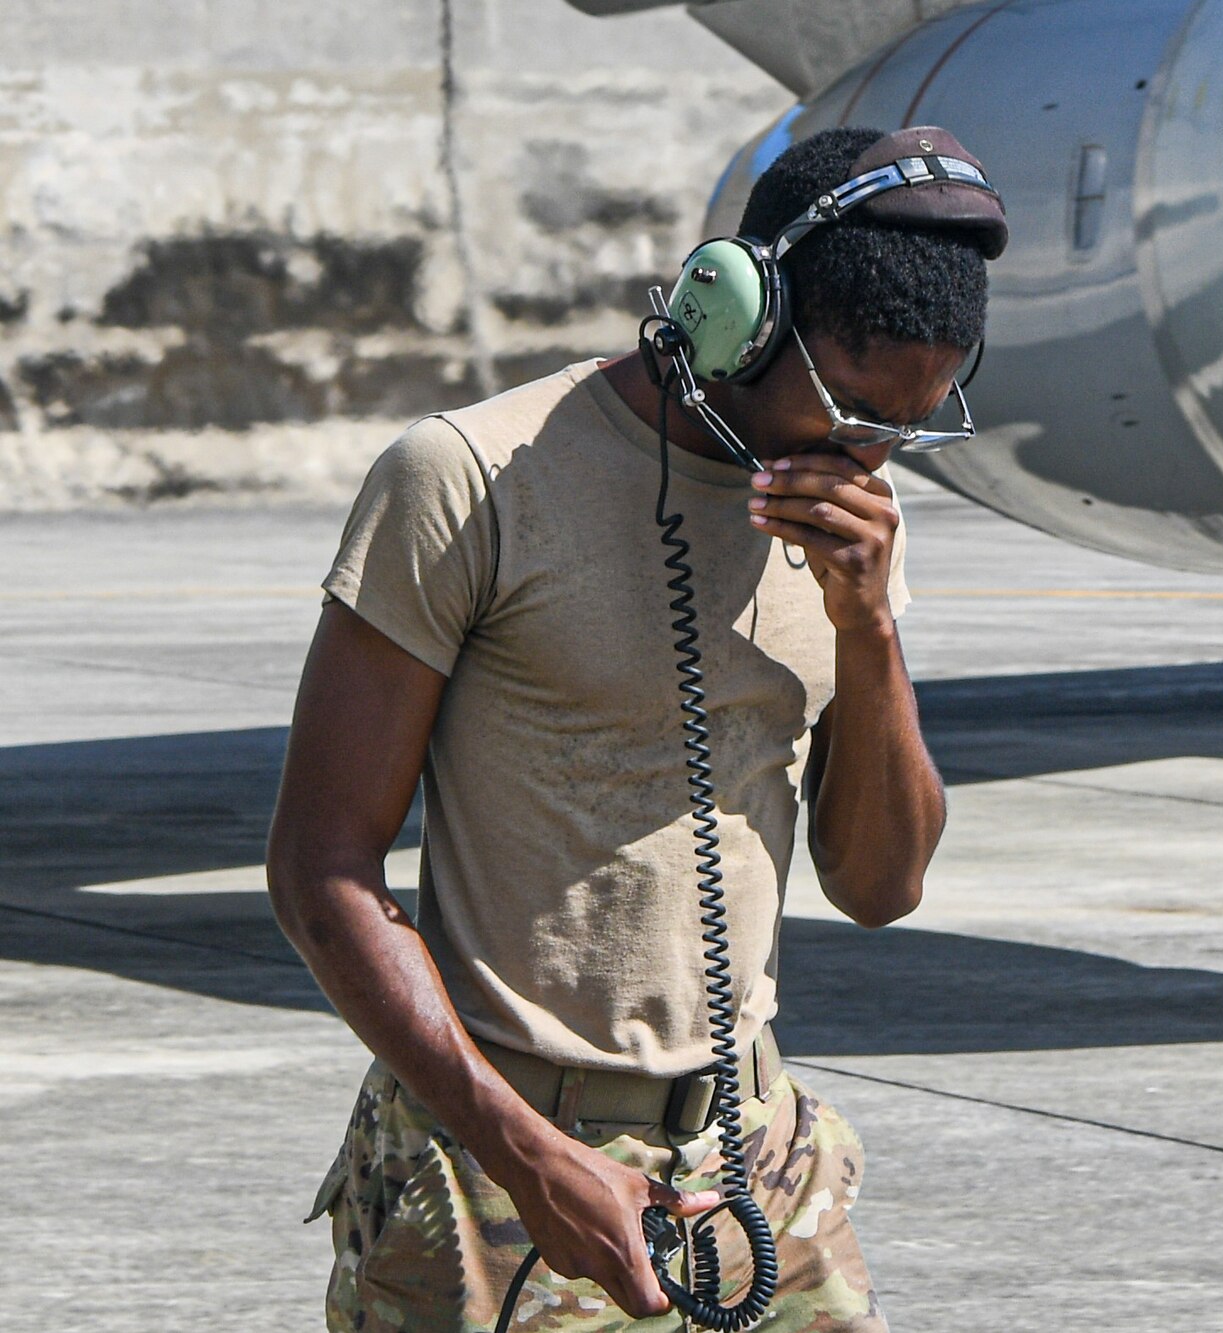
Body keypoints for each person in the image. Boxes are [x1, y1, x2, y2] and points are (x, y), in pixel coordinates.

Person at [266, 124, 1005, 1331]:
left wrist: (868, 628)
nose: (869, 455)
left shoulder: (854, 525)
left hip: (757, 1168)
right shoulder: (466, 478)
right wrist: (526, 1157)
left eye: (907, 428)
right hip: (500, 1162)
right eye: (850, 411)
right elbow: (318, 869)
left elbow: (880, 883)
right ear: (744, 314)